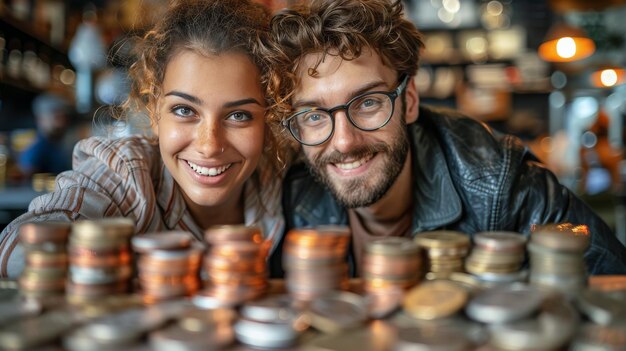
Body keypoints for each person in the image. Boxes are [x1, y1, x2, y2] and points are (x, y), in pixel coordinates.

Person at [262, 0, 626, 276]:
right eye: (313, 115)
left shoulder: (499, 183)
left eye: (368, 102)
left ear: (410, 100)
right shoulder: (289, 197)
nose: (344, 141)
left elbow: (613, 290)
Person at [0, 0, 287, 278]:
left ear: (268, 118)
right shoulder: (128, 171)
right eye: (184, 110)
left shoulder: (283, 181)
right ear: (154, 113)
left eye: (239, 115)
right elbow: (16, 248)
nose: (209, 145)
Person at [18, 93, 73, 177]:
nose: (61, 123)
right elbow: (25, 178)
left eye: (64, 117)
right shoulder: (37, 148)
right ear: (40, 119)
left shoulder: (56, 143)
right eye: (56, 117)